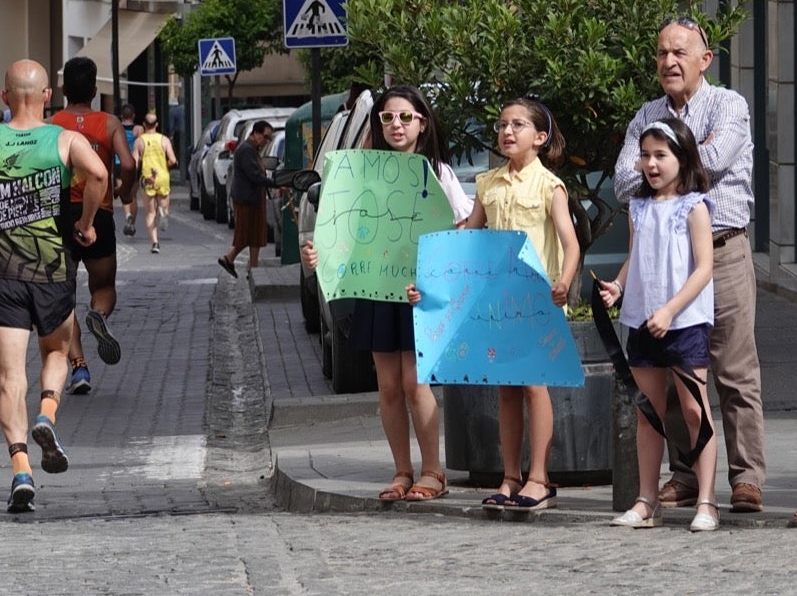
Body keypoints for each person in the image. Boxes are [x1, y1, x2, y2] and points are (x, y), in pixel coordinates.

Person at [0, 58, 108, 512]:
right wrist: (88, 224)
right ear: (47, 97)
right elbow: (99, 175)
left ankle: (21, 472)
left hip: (1, 276)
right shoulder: (65, 139)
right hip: (52, 274)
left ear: (4, 98)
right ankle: (47, 414)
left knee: (8, 381)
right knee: (56, 352)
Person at [614, 17, 765, 514]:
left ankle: (746, 477)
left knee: (734, 369)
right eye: (661, 53)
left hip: (721, 250)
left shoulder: (730, 105)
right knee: (673, 367)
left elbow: (715, 159)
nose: (668, 62)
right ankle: (683, 474)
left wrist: (661, 163)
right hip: (662, 260)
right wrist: (665, 166)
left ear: (705, 59)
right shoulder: (646, 114)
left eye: (680, 52)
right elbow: (621, 180)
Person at [302, 86, 472, 502]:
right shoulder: (360, 174)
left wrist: (435, 280)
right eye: (387, 118)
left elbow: (465, 226)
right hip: (376, 288)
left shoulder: (438, 173)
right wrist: (317, 255)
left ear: (423, 123)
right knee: (389, 385)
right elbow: (342, 230)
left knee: (416, 384)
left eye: (405, 117)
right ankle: (402, 470)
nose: (396, 125)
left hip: (419, 294)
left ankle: (433, 471)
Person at [601, 118, 720, 532]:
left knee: (693, 408)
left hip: (684, 321)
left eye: (661, 155)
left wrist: (671, 309)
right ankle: (646, 500)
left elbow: (703, 268)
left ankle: (706, 499)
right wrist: (617, 286)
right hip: (641, 320)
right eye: (645, 155)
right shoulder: (638, 207)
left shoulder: (695, 206)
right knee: (648, 413)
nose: (651, 164)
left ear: (682, 158)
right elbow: (637, 258)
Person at [464, 97, 580, 512]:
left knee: (534, 384)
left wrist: (564, 281)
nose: (507, 132)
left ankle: (539, 478)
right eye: (501, 125)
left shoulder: (550, 186)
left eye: (517, 125)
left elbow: (570, 242)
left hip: (537, 301)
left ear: (540, 137)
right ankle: (510, 476)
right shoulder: (487, 184)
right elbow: (468, 236)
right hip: (498, 304)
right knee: (507, 389)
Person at [50, 57, 136, 395]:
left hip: (60, 215)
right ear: (96, 91)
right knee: (104, 286)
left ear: (63, 89)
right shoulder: (110, 122)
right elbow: (127, 164)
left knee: (61, 297)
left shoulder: (52, 124)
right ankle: (98, 313)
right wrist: (125, 191)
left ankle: (79, 368)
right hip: (98, 213)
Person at [217, 120, 278, 277]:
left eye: (269, 138)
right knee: (247, 235)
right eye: (265, 137)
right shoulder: (246, 150)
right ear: (256, 133)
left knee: (255, 235)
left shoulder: (253, 149)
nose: (266, 141)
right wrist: (275, 184)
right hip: (247, 199)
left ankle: (253, 267)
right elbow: (255, 176)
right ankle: (229, 259)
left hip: (254, 198)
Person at [132, 113, 177, 253]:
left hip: (148, 178)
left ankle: (155, 243)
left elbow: (134, 163)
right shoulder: (164, 140)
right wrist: (165, 165)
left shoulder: (139, 141)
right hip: (162, 177)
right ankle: (163, 214)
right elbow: (173, 160)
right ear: (157, 124)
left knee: (150, 213)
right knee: (163, 206)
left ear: (144, 124)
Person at [118, 103, 139, 236]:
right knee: (133, 194)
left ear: (121, 116)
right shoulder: (138, 129)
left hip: (118, 162)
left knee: (122, 192)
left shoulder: (117, 128)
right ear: (133, 116)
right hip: (133, 163)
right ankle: (131, 223)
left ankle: (127, 215)